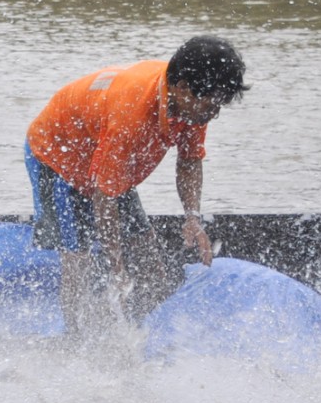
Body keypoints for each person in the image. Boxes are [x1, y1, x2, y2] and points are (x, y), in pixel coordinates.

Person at [24, 36, 248, 330]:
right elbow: (105, 199)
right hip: (59, 156)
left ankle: (141, 329)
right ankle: (74, 338)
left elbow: (190, 160)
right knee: (78, 258)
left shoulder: (193, 106)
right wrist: (117, 267)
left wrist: (193, 218)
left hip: (109, 158)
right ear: (182, 88)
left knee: (149, 260)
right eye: (211, 104)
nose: (214, 113)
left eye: (220, 105)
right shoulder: (131, 115)